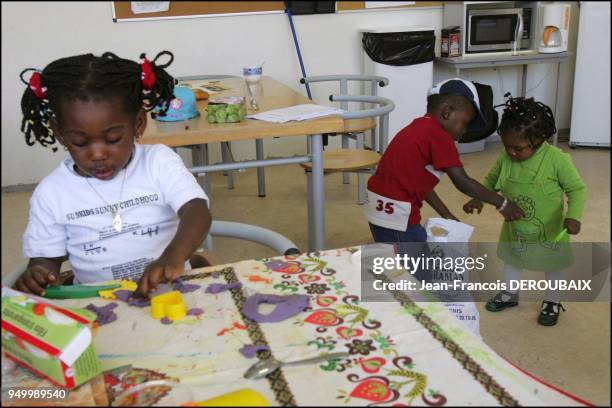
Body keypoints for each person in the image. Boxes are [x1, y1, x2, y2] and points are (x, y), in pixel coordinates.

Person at [14, 51, 212, 297]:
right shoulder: (51, 192)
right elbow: (46, 259)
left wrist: (174, 256)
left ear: (138, 123)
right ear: (60, 133)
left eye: (113, 139)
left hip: (170, 291)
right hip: (96, 302)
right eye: (80, 142)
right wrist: (39, 274)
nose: (98, 154)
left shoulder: (157, 162)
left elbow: (197, 211)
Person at [464, 94, 587, 326]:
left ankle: (552, 300)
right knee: (513, 259)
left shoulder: (557, 160)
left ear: (539, 140)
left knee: (553, 265)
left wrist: (574, 216)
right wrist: (477, 199)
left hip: (550, 229)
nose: (511, 153)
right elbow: (490, 180)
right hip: (515, 228)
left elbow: (577, 189)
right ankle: (510, 294)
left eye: (518, 149)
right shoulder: (506, 158)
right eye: (506, 147)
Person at [365, 78, 524, 249]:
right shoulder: (439, 136)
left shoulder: (417, 127)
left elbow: (419, 186)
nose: (464, 131)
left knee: (394, 259)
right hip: (399, 217)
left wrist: (446, 213)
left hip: (378, 209)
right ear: (447, 112)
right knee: (416, 268)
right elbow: (463, 182)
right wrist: (502, 203)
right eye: (465, 123)